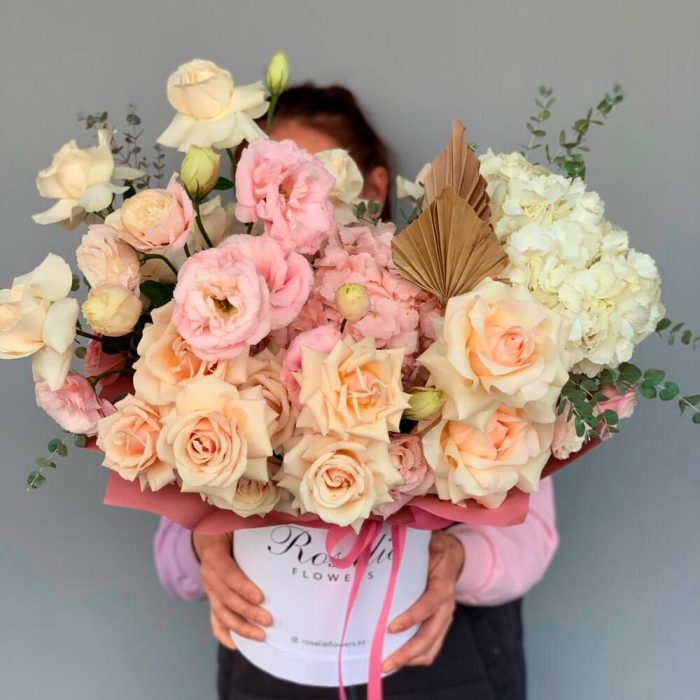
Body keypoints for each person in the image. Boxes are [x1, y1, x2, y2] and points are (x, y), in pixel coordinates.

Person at [154, 84, 559, 700]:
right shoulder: (223, 335)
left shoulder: (461, 316)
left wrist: (456, 563)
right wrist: (206, 547)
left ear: (373, 186)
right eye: (268, 188)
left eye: (309, 179)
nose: (286, 205)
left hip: (442, 664)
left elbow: (531, 539)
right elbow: (172, 564)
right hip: (271, 667)